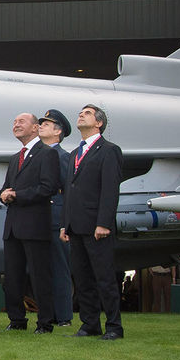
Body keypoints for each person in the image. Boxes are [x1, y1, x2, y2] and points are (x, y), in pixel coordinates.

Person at [61, 104, 124, 339]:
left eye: (86, 113)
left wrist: (104, 222)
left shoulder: (109, 150)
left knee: (104, 278)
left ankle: (114, 326)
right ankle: (89, 324)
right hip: (76, 226)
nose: (81, 115)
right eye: (80, 112)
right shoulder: (74, 154)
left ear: (98, 123)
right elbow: (69, 191)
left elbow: (110, 189)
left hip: (97, 226)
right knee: (83, 278)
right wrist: (64, 224)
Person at [0, 113, 61, 333]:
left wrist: (17, 195)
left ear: (35, 128)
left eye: (21, 122)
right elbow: (6, 187)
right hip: (13, 227)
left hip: (35, 226)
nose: (16, 125)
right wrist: (3, 195)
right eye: (14, 121)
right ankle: (16, 320)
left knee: (39, 276)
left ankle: (45, 322)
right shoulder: (16, 157)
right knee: (12, 277)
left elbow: (47, 187)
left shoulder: (47, 154)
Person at [37, 109, 74, 327]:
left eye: (47, 124)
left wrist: (65, 223)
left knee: (59, 268)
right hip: (39, 219)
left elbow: (68, 191)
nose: (41, 125)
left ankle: (63, 316)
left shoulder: (62, 156)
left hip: (55, 219)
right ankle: (47, 314)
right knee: (42, 270)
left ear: (58, 132)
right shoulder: (37, 154)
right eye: (41, 123)